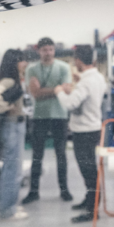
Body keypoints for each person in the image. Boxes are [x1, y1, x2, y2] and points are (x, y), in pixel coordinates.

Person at [54, 45, 107, 223]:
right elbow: (84, 99)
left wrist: (60, 92)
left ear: (78, 61)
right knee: (90, 168)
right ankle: (90, 201)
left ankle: (92, 210)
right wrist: (74, 90)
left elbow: (70, 105)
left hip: (83, 131)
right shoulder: (98, 77)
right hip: (93, 128)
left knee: (88, 170)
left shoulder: (85, 82)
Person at [23, 37, 73, 204]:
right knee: (37, 155)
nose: (48, 53)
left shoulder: (64, 67)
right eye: (45, 50)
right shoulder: (31, 69)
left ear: (54, 50)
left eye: (51, 49)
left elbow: (67, 90)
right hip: (40, 116)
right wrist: (57, 89)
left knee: (61, 154)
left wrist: (44, 90)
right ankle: (34, 191)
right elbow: (35, 93)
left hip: (60, 115)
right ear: (39, 51)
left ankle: (64, 190)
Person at [0, 49, 29, 220]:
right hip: (13, 127)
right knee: (12, 169)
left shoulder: (13, 80)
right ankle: (7, 209)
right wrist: (6, 107)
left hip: (15, 126)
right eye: (21, 60)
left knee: (13, 168)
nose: (24, 64)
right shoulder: (9, 81)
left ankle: (9, 206)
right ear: (15, 63)